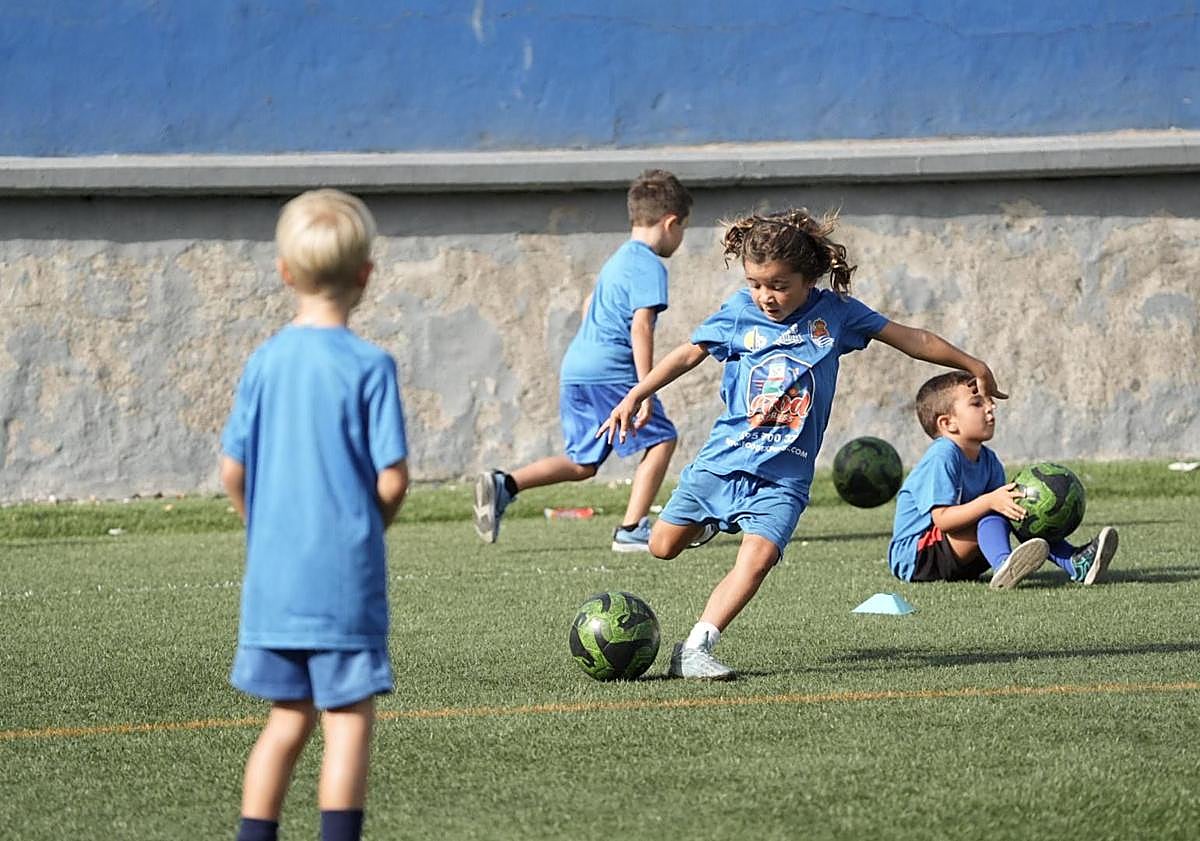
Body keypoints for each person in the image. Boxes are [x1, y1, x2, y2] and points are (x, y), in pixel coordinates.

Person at [599, 207, 1005, 680]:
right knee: (663, 546)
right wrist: (636, 393)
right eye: (756, 284)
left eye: (778, 285)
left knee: (760, 557)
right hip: (724, 460)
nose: (765, 296)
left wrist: (972, 362)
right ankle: (710, 525)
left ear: (810, 277)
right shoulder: (737, 313)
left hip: (784, 476)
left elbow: (910, 338)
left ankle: (696, 647)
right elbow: (688, 354)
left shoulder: (837, 315)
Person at [220, 189, 409, 841]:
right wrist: (368, 527)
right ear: (366, 275)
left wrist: (263, 531)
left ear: (284, 273)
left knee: (285, 720)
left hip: (274, 583)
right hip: (342, 582)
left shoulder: (264, 361)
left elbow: (232, 470)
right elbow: (393, 478)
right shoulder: (370, 366)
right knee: (347, 720)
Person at [473, 170, 692, 552]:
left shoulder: (616, 261)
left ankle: (504, 484)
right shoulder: (649, 265)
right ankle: (632, 528)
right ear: (670, 222)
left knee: (583, 462)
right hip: (612, 371)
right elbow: (641, 327)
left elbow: (587, 305)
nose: (680, 238)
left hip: (577, 368)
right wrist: (645, 390)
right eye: (683, 229)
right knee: (662, 439)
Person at [888, 370, 1118, 589]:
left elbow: (1003, 510)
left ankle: (1076, 563)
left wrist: (1000, 502)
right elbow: (943, 520)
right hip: (918, 557)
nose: (991, 408)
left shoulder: (989, 459)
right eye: (977, 403)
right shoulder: (942, 455)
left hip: (965, 557)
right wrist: (990, 501)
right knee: (999, 506)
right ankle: (1005, 566)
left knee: (1017, 507)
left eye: (989, 402)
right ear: (948, 423)